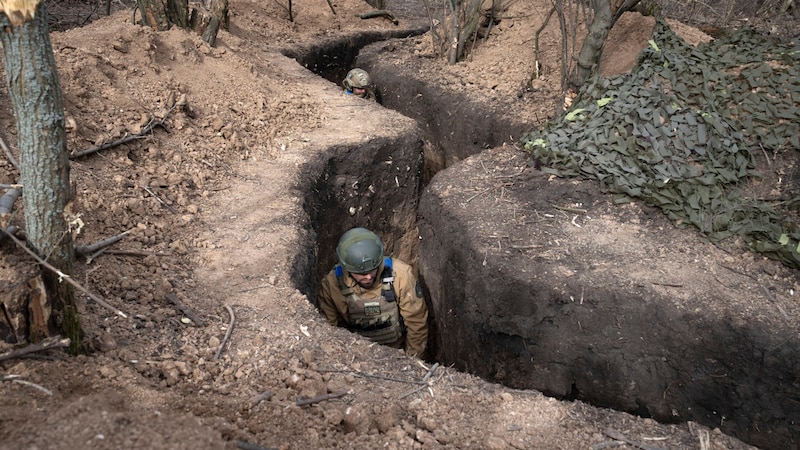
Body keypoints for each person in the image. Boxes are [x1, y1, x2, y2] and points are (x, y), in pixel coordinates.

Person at [318, 227, 428, 357]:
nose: (369, 277)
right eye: (362, 273)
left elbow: (417, 323)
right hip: (356, 356)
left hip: (397, 354)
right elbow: (327, 330)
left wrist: (412, 362)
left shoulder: (401, 276)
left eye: (372, 269)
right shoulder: (332, 285)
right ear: (346, 268)